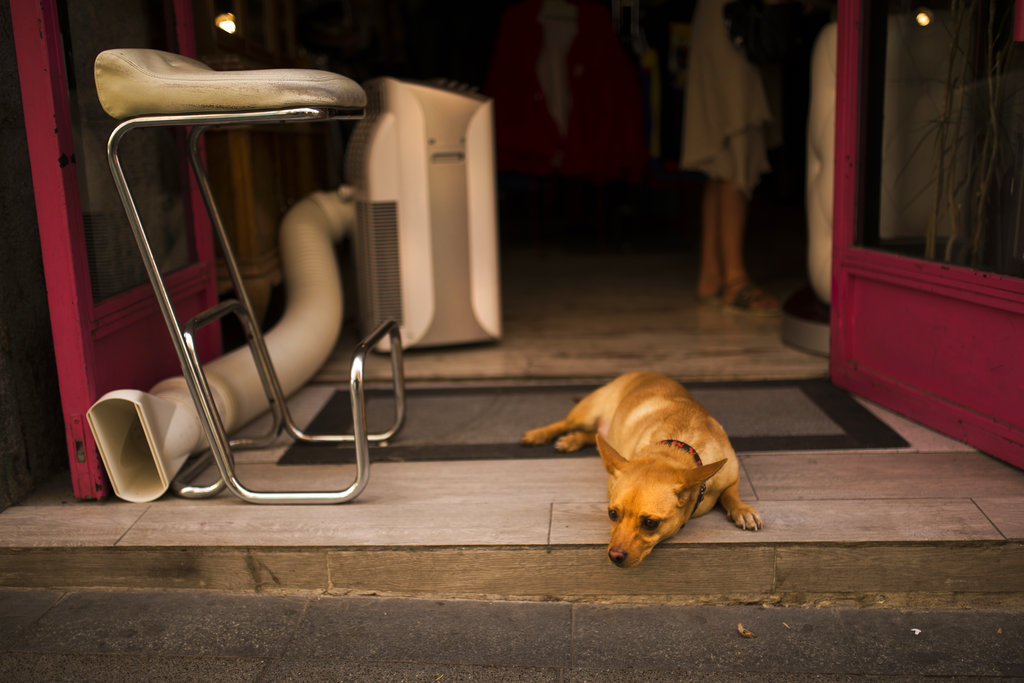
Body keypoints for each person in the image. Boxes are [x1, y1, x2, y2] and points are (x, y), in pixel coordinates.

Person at [682, 0, 781, 313]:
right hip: (736, 21)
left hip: (728, 20)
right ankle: (734, 278)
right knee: (736, 144)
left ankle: (713, 273)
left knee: (725, 153)